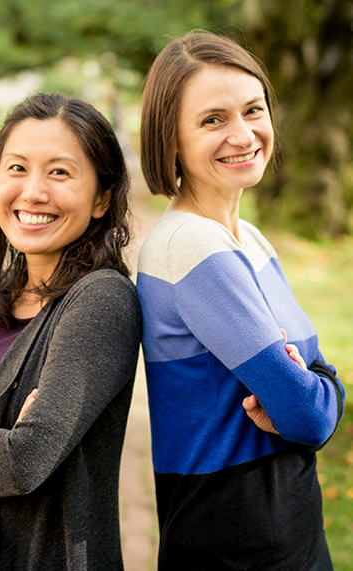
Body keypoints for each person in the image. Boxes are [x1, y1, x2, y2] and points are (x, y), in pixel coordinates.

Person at [136, 31, 345, 571]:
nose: (243, 134)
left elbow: (310, 386)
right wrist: (321, 389)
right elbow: (307, 416)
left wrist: (315, 384)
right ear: (171, 139)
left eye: (253, 110)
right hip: (235, 536)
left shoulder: (247, 238)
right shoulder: (190, 246)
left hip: (288, 521)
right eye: (212, 120)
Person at [0, 92, 142, 571]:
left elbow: (22, 463)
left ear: (101, 198)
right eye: (17, 168)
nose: (33, 192)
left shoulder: (101, 301)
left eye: (59, 172)